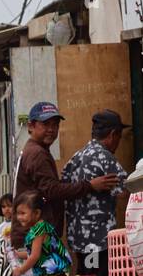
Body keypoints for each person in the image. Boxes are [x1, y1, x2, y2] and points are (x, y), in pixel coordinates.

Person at [14, 101, 117, 242]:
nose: (51, 129)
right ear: (31, 126)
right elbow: (52, 191)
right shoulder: (37, 154)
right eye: (45, 124)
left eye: (55, 124)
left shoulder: (35, 149)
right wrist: (90, 185)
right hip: (34, 238)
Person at [61, 109, 127, 275]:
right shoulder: (104, 157)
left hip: (78, 238)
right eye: (119, 137)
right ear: (112, 134)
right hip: (96, 240)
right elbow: (125, 190)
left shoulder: (75, 158)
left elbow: (64, 188)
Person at [11, 190, 72, 276]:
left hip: (53, 272)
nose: (19, 217)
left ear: (37, 213)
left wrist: (20, 270)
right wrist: (18, 254)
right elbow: (37, 252)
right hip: (48, 272)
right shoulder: (37, 228)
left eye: (23, 213)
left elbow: (35, 256)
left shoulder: (40, 229)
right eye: (18, 213)